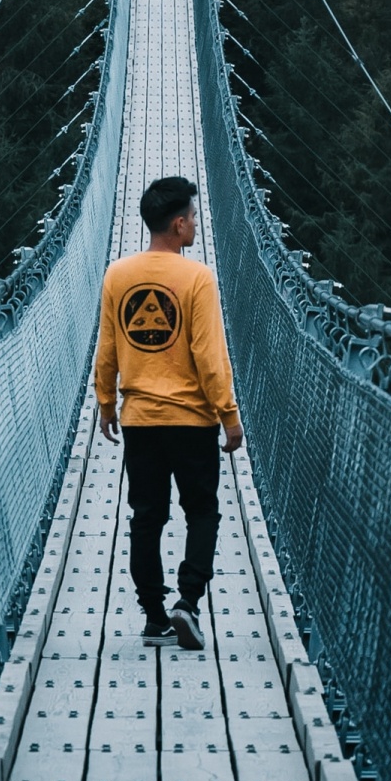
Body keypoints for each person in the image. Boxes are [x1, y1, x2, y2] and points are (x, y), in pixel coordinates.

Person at [94, 174, 243, 650]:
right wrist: (229, 415)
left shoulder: (117, 275)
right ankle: (188, 602)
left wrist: (105, 403)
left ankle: (155, 618)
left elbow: (108, 348)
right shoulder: (197, 278)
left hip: (140, 421)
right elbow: (209, 355)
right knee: (202, 512)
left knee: (146, 517)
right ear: (178, 225)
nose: (196, 225)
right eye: (193, 218)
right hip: (193, 421)